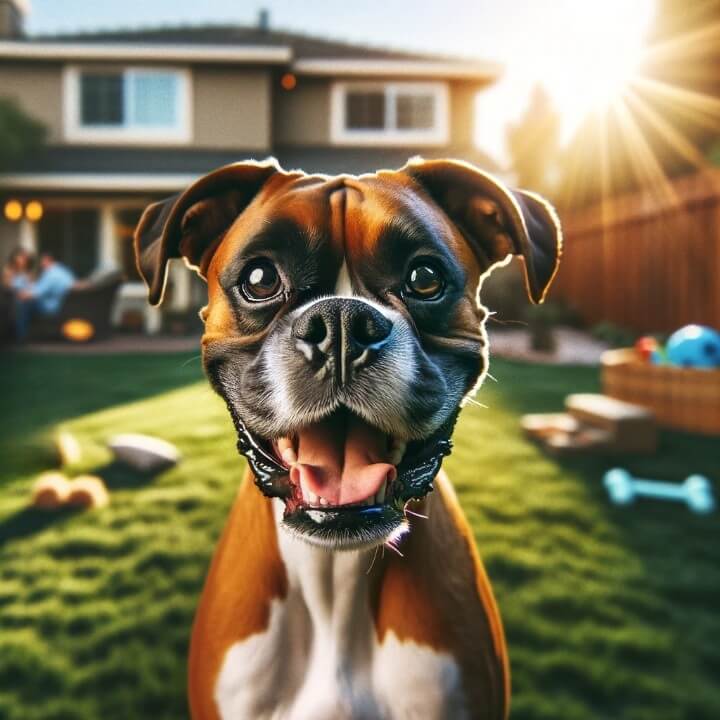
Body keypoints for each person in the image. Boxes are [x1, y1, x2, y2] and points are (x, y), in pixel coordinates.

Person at [14, 253, 76, 340]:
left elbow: (38, 293)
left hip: (51, 306)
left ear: (48, 261)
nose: (41, 264)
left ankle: (21, 336)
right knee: (24, 302)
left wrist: (23, 295)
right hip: (63, 305)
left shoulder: (51, 274)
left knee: (23, 305)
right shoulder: (63, 271)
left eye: (42, 262)